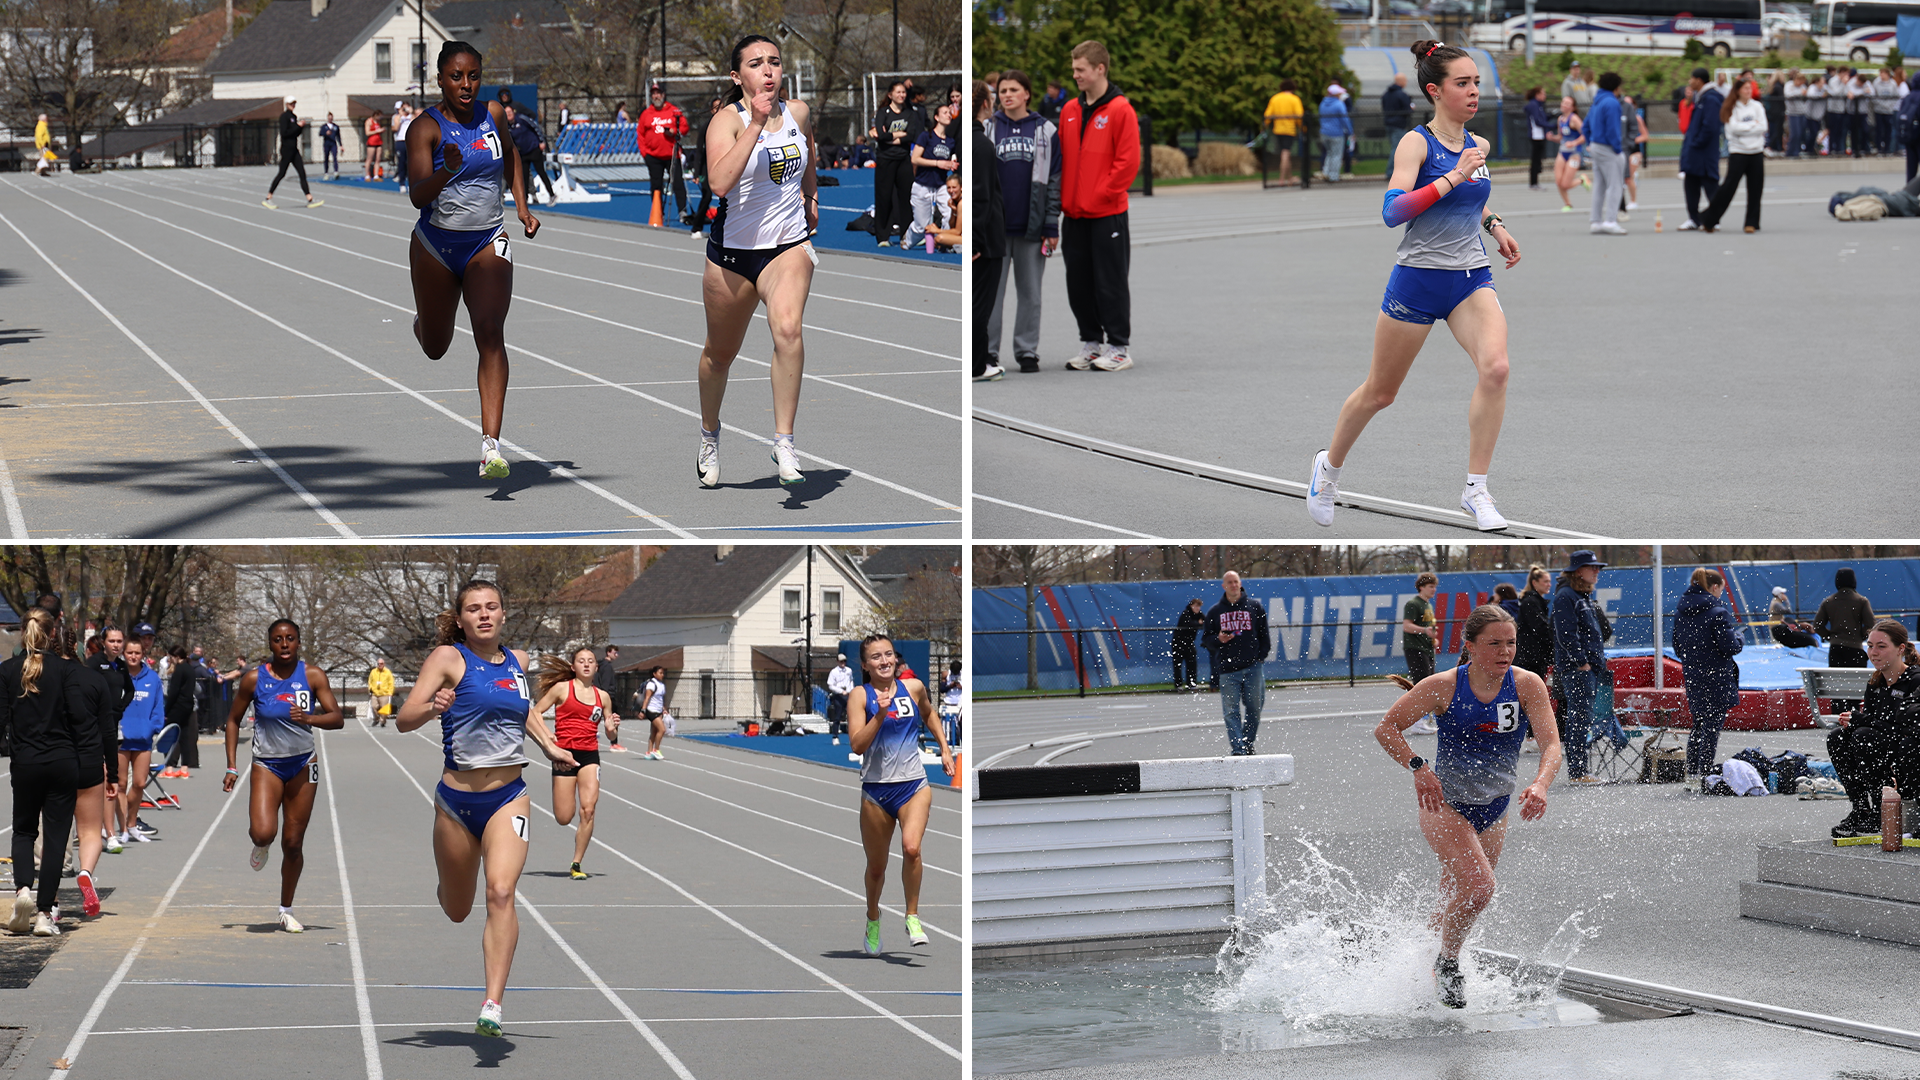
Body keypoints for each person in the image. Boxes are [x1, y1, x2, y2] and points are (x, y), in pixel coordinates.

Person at [1308, 41, 1522, 533]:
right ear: (1435, 90)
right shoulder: (1416, 144)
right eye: (1462, 84)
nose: (1474, 92)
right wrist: (1453, 176)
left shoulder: (1478, 145)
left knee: (1496, 369)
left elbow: (1473, 199)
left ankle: (1476, 490)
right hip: (1419, 279)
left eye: (1476, 83)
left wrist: (1495, 225)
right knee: (1381, 393)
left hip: (1470, 277)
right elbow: (1393, 211)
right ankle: (1328, 470)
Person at [396, 579, 576, 1036]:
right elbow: (403, 719)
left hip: (508, 797)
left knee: (500, 892)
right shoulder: (448, 659)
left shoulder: (518, 661)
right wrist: (433, 708)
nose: (483, 614)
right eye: (473, 608)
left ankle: (492, 1003)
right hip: (456, 803)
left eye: (491, 606)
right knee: (458, 908)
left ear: (503, 614)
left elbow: (524, 709)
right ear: (460, 619)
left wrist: (549, 746)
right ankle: (449, 885)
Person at [1375, 603, 1561, 1009]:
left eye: (1510, 643)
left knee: (1454, 896)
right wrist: (1418, 766)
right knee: (1480, 888)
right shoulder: (1443, 685)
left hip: (1495, 807)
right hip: (1444, 804)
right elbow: (1386, 728)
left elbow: (1551, 744)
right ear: (1471, 646)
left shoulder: (1527, 684)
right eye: (1494, 643)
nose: (1505, 651)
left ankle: (1416, 974)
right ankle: (1447, 964)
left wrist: (1541, 784)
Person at [407, 41, 541, 482]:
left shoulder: (493, 115)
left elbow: (512, 155)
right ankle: (424, 322)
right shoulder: (424, 129)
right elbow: (417, 195)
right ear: (440, 80)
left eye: (474, 76)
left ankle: (491, 447)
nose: (466, 85)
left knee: (489, 330)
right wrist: (446, 170)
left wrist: (522, 208)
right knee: (435, 346)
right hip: (436, 247)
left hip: (487, 240)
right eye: (456, 77)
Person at [694, 35, 819, 491]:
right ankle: (710, 434)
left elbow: (808, 150)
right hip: (733, 256)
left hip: (787, 246)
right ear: (737, 76)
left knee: (788, 329)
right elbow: (719, 182)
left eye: (775, 62)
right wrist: (757, 124)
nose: (768, 70)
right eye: (756, 63)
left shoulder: (798, 112)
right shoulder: (726, 121)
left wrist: (811, 196)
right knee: (719, 355)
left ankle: (784, 442)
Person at [221, 620, 343, 933]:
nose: (284, 644)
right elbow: (233, 721)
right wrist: (232, 765)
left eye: (290, 638)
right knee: (263, 833)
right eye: (278, 639)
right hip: (267, 764)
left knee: (293, 843)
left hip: (303, 764)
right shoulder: (253, 679)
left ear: (298, 642)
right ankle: (261, 845)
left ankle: (286, 909)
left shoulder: (313, 675)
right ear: (270, 644)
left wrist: (309, 718)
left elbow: (337, 718)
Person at [850, 634, 954, 955]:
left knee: (911, 848)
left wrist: (945, 748)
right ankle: (873, 917)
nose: (884, 661)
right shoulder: (860, 696)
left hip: (913, 786)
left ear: (896, 659)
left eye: (888, 654)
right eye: (876, 657)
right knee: (876, 867)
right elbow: (857, 745)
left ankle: (912, 916)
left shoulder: (914, 687)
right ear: (865, 665)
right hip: (877, 791)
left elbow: (929, 713)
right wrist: (880, 715)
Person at [2, 608, 91, 937]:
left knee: (24, 831)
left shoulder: (7, 670)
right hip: (62, 760)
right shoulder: (65, 670)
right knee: (55, 838)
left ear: (22, 631)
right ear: (52, 633)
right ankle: (43, 913)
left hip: (25, 762)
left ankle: (23, 890)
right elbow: (80, 716)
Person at [1059, 40, 1139, 373]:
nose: (1075, 75)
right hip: (1074, 214)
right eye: (1074, 69)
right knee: (1078, 283)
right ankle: (1091, 342)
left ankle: (1118, 347)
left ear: (1100, 68)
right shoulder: (1069, 110)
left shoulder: (1120, 110)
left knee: (1110, 281)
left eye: (1080, 69)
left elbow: (1128, 162)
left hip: (1107, 214)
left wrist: (1101, 193)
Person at [986, 69, 1061, 376]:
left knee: (1031, 294)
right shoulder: (989, 128)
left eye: (1013, 90)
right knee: (992, 294)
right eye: (1003, 90)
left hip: (1032, 226)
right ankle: (988, 351)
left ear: (1027, 94)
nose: (1007, 95)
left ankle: (1026, 350)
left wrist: (1051, 224)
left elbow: (1054, 180)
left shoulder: (1046, 130)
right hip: (996, 228)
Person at [1826, 620, 1920, 838]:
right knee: (1837, 737)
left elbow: (1906, 729)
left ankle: (1881, 809)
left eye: (1881, 646)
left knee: (1864, 736)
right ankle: (1861, 809)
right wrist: (1854, 721)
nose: (1873, 652)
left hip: (1908, 750)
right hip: (1884, 746)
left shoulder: (1914, 680)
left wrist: (1861, 720)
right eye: (1869, 646)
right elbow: (1872, 721)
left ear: (1900, 649)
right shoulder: (1876, 683)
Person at [531, 646, 612, 880]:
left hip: (589, 756)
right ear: (573, 666)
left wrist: (611, 728)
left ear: (596, 667)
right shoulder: (561, 688)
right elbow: (536, 712)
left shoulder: (603, 697)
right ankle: (566, 807)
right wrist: (548, 736)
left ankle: (576, 863)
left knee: (588, 809)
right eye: (581, 661)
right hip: (564, 756)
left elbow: (611, 733)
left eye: (590, 661)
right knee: (564, 817)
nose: (586, 664)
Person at [71, 627, 124, 914]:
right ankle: (86, 871)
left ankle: (46, 903)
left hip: (49, 760)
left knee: (53, 834)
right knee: (90, 831)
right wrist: (112, 774)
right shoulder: (93, 677)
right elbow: (108, 730)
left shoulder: (38, 678)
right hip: (88, 759)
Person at [1673, 569, 1743, 779]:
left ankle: (1693, 774)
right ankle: (1705, 774)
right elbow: (1730, 646)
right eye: (1721, 589)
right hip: (1716, 676)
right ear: (1714, 587)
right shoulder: (1717, 612)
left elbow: (1678, 648)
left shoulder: (1681, 612)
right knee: (1712, 728)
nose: (1721, 593)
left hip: (1694, 676)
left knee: (1699, 724)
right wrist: (1739, 638)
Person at [1551, 550, 1608, 785]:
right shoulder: (1566, 596)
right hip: (1578, 669)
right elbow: (1566, 634)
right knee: (1579, 718)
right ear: (1577, 571)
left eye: (1597, 567)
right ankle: (1578, 771)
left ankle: (1579, 769)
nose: (1596, 571)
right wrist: (1581, 662)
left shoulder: (1580, 596)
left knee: (1582, 718)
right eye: (1591, 567)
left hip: (1588, 667)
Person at [1202, 571, 1272, 756]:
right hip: (1227, 669)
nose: (1233, 585)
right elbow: (1206, 641)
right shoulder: (1215, 611)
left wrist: (1260, 657)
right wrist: (1218, 639)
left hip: (1252, 666)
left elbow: (1264, 635)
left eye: (1236, 582)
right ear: (1223, 586)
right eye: (1229, 582)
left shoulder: (1254, 607)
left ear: (1240, 583)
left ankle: (1247, 743)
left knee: (1254, 708)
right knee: (1230, 712)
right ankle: (1238, 749)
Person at [1695, 78, 1767, 233]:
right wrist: (1752, 126)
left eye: (1750, 88)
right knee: (1728, 187)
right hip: (1738, 152)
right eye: (1745, 88)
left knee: (1756, 188)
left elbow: (1763, 126)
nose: (1748, 91)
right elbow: (1733, 128)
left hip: (1756, 152)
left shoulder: (1757, 106)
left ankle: (1751, 223)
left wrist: (1747, 127)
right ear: (1738, 91)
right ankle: (1709, 219)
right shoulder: (1731, 107)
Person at [114, 639, 164, 847]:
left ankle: (132, 823)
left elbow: (158, 707)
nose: (133, 656)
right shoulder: (117, 675)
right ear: (123, 653)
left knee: (140, 783)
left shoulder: (152, 678)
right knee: (121, 784)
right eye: (129, 652)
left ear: (143, 654)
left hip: (143, 738)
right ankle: (123, 829)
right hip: (121, 738)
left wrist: (152, 728)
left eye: (137, 652)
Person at [870, 80, 922, 246]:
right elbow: (881, 135)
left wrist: (891, 138)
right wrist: (899, 134)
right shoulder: (883, 112)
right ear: (890, 95)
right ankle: (883, 237)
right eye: (898, 92)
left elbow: (911, 135)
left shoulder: (910, 113)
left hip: (903, 159)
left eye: (903, 92)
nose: (901, 95)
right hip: (885, 159)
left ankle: (906, 234)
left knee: (906, 197)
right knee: (884, 197)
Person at [905, 103, 959, 250]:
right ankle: (907, 240)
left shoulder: (950, 141)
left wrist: (951, 164)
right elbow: (915, 159)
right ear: (936, 117)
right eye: (945, 112)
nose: (948, 115)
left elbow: (950, 159)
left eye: (949, 113)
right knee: (921, 226)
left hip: (941, 185)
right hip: (922, 184)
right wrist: (937, 163)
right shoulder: (926, 136)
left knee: (950, 213)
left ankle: (946, 243)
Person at [1676, 69, 1725, 231]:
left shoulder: (1711, 98)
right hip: (1695, 151)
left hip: (1704, 152)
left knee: (1710, 183)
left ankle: (1714, 219)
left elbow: (1710, 126)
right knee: (1691, 183)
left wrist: (1697, 142)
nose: (1689, 82)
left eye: (1692, 78)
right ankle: (1694, 219)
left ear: (1699, 80)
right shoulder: (1700, 97)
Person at [637, 84, 690, 222]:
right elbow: (640, 135)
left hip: (672, 155)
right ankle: (658, 212)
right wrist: (645, 154)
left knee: (678, 184)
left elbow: (684, 128)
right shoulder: (646, 114)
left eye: (658, 93)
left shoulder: (674, 111)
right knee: (656, 186)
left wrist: (673, 131)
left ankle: (682, 211)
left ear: (663, 95)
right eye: (654, 94)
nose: (656, 96)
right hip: (653, 156)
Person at [1585, 73, 1627, 235]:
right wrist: (1617, 149)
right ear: (1616, 87)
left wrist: (1589, 142)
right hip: (1607, 147)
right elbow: (1612, 130)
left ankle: (1596, 221)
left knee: (1599, 186)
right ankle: (1610, 221)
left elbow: (1585, 126)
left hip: (1595, 145)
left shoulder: (1597, 101)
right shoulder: (1612, 102)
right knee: (1615, 185)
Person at [1815, 567, 1875, 672]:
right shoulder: (1861, 601)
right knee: (1857, 680)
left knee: (1837, 679)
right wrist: (1860, 637)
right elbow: (1871, 624)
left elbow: (1817, 625)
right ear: (1854, 581)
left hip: (1835, 650)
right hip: (1855, 648)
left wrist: (1831, 637)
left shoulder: (1828, 602)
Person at [1403, 572, 1442, 733]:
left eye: (1435, 587)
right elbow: (1407, 626)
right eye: (1430, 586)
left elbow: (1428, 628)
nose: (1434, 590)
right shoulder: (1413, 603)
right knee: (1421, 685)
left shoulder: (1428, 605)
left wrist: (1432, 639)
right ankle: (1417, 721)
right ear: (1421, 587)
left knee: (1429, 684)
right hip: (1415, 648)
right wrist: (1424, 631)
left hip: (1426, 649)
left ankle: (1423, 718)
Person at [264, 99, 320, 208]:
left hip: (294, 149)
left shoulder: (294, 117)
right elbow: (285, 133)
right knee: (281, 174)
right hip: (286, 150)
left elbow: (295, 133)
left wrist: (301, 127)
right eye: (291, 103)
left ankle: (309, 198)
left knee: (302, 173)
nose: (293, 105)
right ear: (286, 104)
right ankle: (268, 197)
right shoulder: (284, 117)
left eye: (294, 103)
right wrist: (297, 126)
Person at [504, 104, 555, 206]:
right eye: (506, 113)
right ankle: (525, 199)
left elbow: (535, 127)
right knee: (524, 176)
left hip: (534, 149)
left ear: (513, 112)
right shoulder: (507, 126)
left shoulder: (522, 119)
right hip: (523, 153)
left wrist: (542, 141)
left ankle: (552, 194)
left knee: (541, 172)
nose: (508, 114)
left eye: (510, 112)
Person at [1515, 565, 1554, 679]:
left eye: (1549, 581)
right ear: (1535, 583)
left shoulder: (1535, 602)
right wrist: (1553, 642)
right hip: (1530, 659)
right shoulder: (1531, 602)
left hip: (1534, 657)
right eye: (1545, 581)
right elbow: (1540, 629)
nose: (1549, 585)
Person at [1263, 79, 1305, 185]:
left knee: (1286, 153)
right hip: (1289, 130)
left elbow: (1268, 114)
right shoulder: (1294, 99)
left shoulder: (1275, 98)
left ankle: (1289, 178)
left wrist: (1265, 125)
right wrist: (1303, 128)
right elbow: (1299, 115)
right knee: (1285, 153)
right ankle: (1281, 179)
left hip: (1278, 129)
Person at [1553, 95, 1587, 211]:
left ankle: (1582, 180)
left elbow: (1585, 135)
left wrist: (1574, 143)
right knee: (1558, 181)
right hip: (1562, 152)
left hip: (1574, 154)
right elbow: (1561, 137)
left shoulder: (1574, 119)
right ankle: (1568, 204)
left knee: (1565, 184)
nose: (1564, 105)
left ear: (1572, 107)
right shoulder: (1560, 119)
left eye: (1567, 104)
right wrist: (1552, 138)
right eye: (1563, 102)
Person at [592, 644, 624, 751]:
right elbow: (605, 682)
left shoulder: (603, 665)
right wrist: (605, 696)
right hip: (608, 696)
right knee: (613, 718)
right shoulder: (607, 666)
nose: (617, 655)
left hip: (604, 695)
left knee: (597, 717)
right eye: (615, 652)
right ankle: (614, 743)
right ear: (608, 652)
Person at [1319, 83, 1353, 182]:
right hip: (1337, 133)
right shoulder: (1339, 104)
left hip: (1324, 132)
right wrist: (1350, 131)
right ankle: (1333, 176)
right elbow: (1344, 119)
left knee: (1329, 153)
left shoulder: (1322, 103)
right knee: (1336, 155)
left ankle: (1326, 172)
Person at [1172, 598, 1204, 690]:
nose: (1197, 608)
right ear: (1191, 606)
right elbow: (1189, 624)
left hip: (1189, 643)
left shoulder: (1199, 614)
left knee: (1192, 663)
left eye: (1199, 606)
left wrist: (1200, 623)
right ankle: (1178, 685)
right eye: (1196, 606)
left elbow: (1206, 621)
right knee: (1178, 664)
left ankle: (1191, 684)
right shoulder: (1185, 614)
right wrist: (1198, 623)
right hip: (1178, 642)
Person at [639, 665, 669, 760]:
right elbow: (647, 698)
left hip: (659, 710)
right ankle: (656, 750)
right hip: (651, 710)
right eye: (660, 673)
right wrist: (643, 710)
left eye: (663, 673)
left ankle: (649, 752)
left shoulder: (662, 685)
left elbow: (659, 699)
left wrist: (663, 709)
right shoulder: (651, 684)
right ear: (654, 674)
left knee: (654, 731)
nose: (662, 675)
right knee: (662, 729)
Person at [1523, 87, 1551, 190]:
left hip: (1540, 135)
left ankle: (1535, 181)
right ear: (1537, 95)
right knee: (1535, 159)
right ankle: (1533, 182)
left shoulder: (1539, 105)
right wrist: (1552, 126)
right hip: (1536, 136)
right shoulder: (1534, 105)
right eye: (1543, 94)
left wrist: (1551, 115)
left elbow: (1543, 118)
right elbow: (1537, 121)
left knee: (1538, 159)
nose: (1545, 96)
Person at [827, 653, 855, 746]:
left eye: (844, 661)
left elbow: (851, 681)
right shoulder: (833, 672)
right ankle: (835, 737)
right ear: (838, 662)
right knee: (837, 717)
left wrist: (850, 691)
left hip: (848, 695)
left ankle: (853, 737)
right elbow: (831, 685)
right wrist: (840, 691)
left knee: (851, 716)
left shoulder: (849, 670)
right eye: (841, 661)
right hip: (838, 696)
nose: (843, 663)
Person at [1382, 72, 1415, 148]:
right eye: (1405, 81)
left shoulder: (1386, 94)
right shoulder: (1402, 95)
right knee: (1398, 147)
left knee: (1394, 146)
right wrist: (1411, 108)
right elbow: (1407, 110)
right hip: (1399, 125)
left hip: (1388, 124)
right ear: (1401, 81)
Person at [368, 658, 395, 727]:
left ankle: (383, 721)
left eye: (381, 664)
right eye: (378, 664)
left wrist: (390, 692)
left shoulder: (387, 672)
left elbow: (391, 683)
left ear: (384, 664)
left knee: (384, 709)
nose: (380, 665)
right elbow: (370, 681)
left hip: (384, 694)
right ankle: (376, 719)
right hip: (375, 693)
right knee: (373, 706)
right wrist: (370, 689)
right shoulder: (373, 671)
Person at [320, 113, 343, 179]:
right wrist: (326, 133)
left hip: (333, 144)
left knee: (335, 157)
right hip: (326, 144)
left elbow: (338, 136)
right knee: (326, 158)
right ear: (327, 118)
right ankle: (326, 173)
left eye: (331, 117)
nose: (330, 119)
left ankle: (336, 172)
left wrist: (341, 145)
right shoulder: (324, 126)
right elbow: (320, 133)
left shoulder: (336, 127)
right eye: (329, 117)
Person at [363, 110, 385, 180]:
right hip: (371, 142)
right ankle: (367, 175)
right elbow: (367, 133)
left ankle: (376, 175)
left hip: (378, 141)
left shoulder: (378, 122)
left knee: (378, 159)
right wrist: (376, 131)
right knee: (369, 159)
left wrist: (381, 130)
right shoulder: (369, 121)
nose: (379, 118)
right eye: (379, 116)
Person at [34, 112, 53, 177]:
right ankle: (37, 171)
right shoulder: (41, 126)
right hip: (42, 145)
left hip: (45, 144)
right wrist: (42, 144)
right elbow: (39, 136)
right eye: (46, 118)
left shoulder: (43, 125)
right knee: (43, 159)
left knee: (45, 158)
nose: (47, 119)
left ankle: (43, 172)